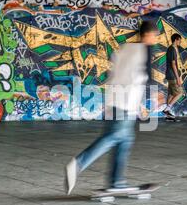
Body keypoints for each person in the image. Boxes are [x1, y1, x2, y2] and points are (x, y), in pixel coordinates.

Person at [64, 20, 158, 195]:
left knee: (125, 139)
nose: (155, 40)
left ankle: (117, 181)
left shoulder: (123, 49)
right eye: (154, 36)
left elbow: (112, 74)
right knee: (114, 137)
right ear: (148, 35)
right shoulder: (145, 50)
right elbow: (144, 78)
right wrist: (145, 103)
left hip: (114, 100)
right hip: (127, 103)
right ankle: (78, 163)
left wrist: (108, 104)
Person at [162, 33, 183, 118]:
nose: (180, 42)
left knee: (171, 94)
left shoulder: (171, 49)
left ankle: (168, 115)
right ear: (176, 40)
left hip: (169, 75)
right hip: (172, 76)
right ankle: (167, 109)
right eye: (179, 40)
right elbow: (173, 64)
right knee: (180, 93)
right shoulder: (172, 49)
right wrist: (178, 78)